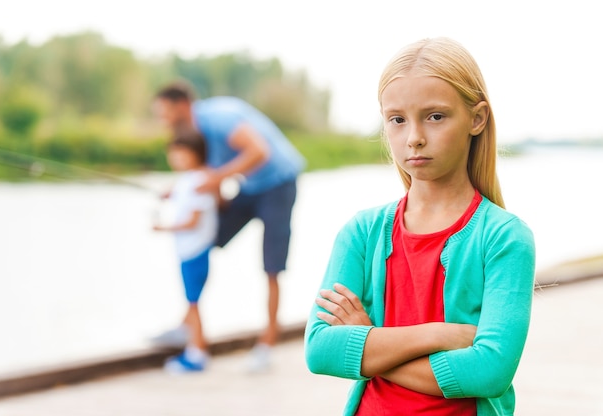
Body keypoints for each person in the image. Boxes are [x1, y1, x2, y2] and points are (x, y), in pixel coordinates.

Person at [304, 37, 536, 415]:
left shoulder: (504, 237)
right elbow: (320, 350)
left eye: (435, 116)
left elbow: (488, 372)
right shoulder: (361, 233)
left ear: (476, 119)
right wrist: (438, 334)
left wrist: (370, 343)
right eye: (397, 119)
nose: (414, 138)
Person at [154, 81, 306, 372]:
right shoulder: (196, 134)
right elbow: (210, 182)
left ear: (182, 106)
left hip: (279, 185)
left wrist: (217, 178)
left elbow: (260, 152)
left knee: (271, 266)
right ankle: (189, 325)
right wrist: (183, 191)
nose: (163, 121)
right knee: (204, 238)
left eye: (165, 114)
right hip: (250, 187)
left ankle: (267, 344)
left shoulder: (218, 118)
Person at [152, 127, 218, 372]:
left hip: (196, 253)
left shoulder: (200, 181)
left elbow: (193, 221)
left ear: (195, 154)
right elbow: (181, 193)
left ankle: (197, 354)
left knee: (193, 303)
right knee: (191, 302)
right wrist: (170, 195)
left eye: (181, 154)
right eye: (173, 154)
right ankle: (196, 344)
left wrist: (163, 228)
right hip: (188, 252)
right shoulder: (188, 180)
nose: (175, 159)